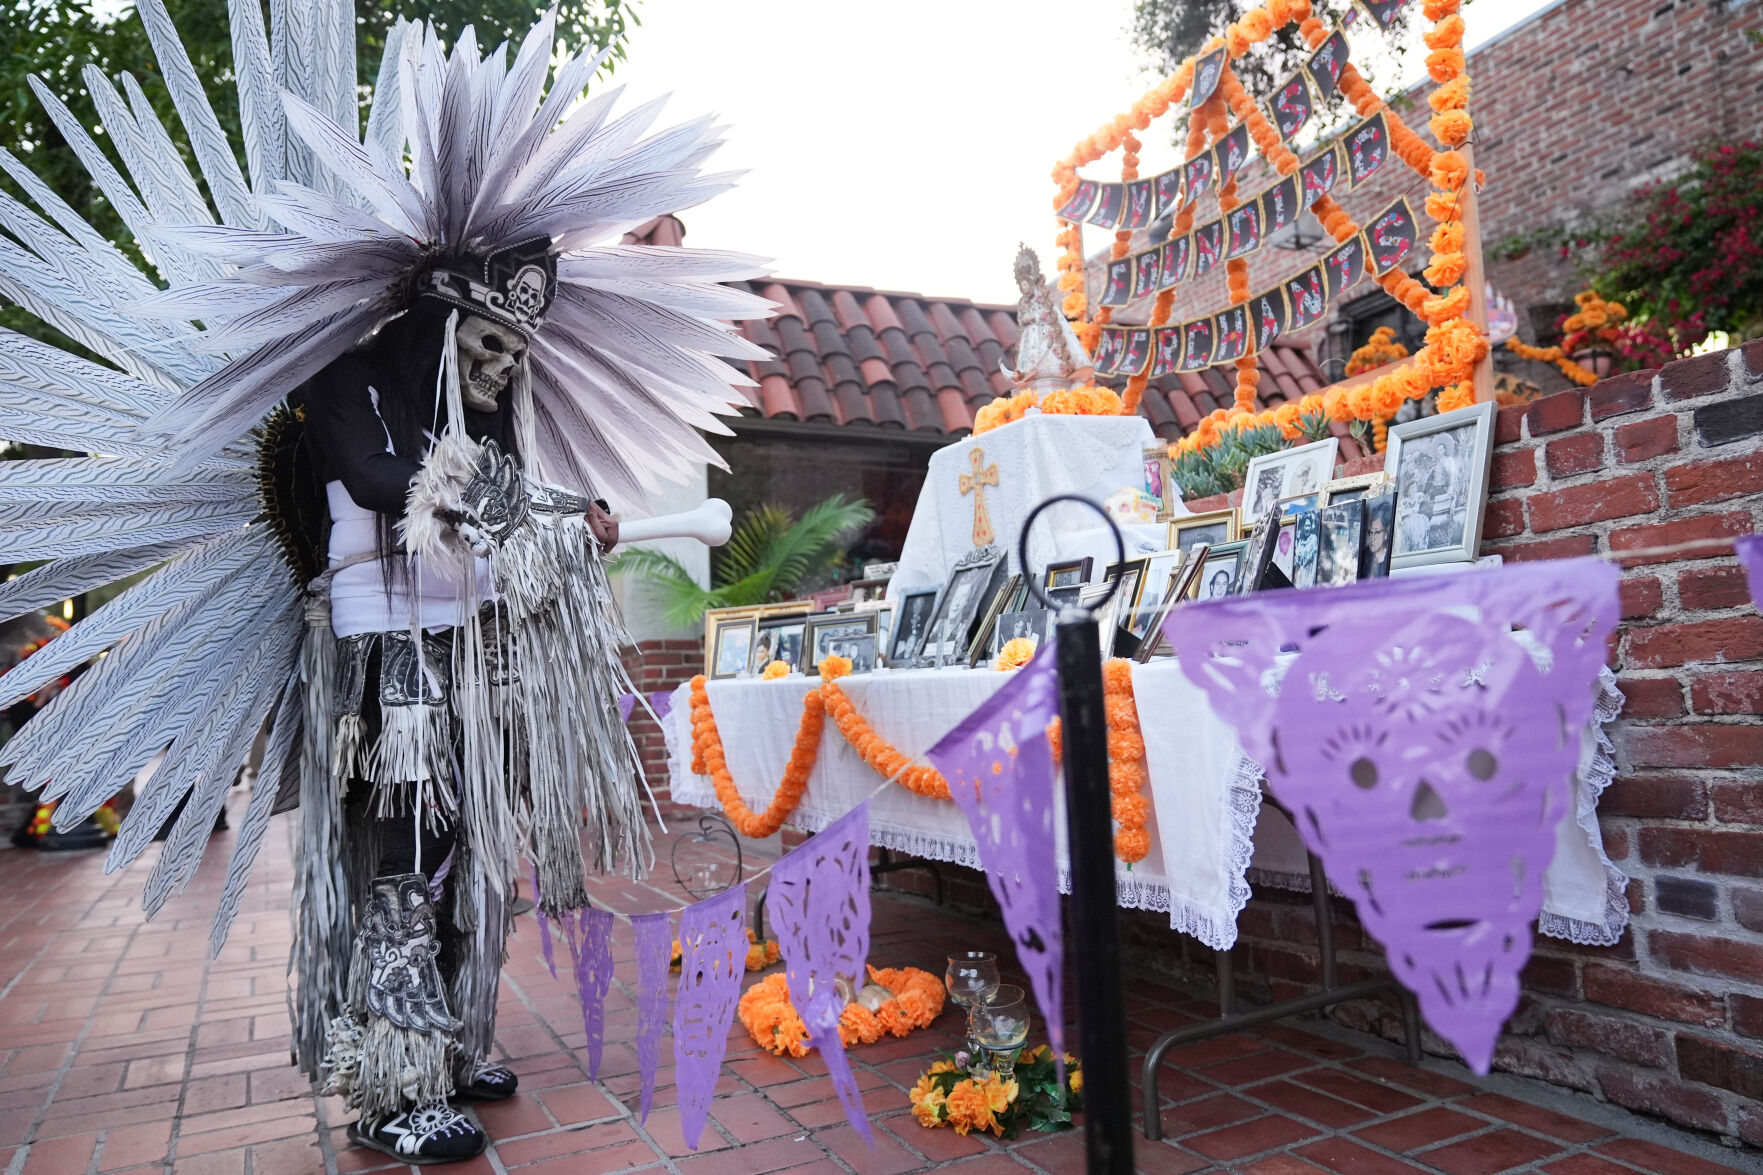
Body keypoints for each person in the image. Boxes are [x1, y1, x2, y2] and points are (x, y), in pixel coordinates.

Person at [0, 10, 770, 1165]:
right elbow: (388, 481)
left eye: (516, 349)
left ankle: (452, 1041)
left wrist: (568, 523)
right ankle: (391, 1083)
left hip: (474, 656)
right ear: (436, 317)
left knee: (477, 849)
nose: (502, 365)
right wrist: (539, 505)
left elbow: (494, 518)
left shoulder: (479, 409)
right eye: (485, 341)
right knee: (402, 855)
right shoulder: (345, 378)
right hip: (385, 667)